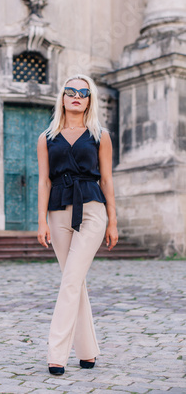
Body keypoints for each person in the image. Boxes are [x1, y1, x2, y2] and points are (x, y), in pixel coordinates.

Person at [37, 74, 118, 376]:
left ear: (89, 100)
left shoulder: (100, 135)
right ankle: (87, 352)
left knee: (70, 280)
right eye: (70, 91)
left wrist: (113, 221)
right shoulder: (46, 137)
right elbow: (44, 181)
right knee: (75, 281)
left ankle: (56, 354)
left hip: (92, 210)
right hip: (58, 211)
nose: (76, 96)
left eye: (82, 93)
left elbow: (107, 180)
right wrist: (41, 221)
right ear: (62, 98)